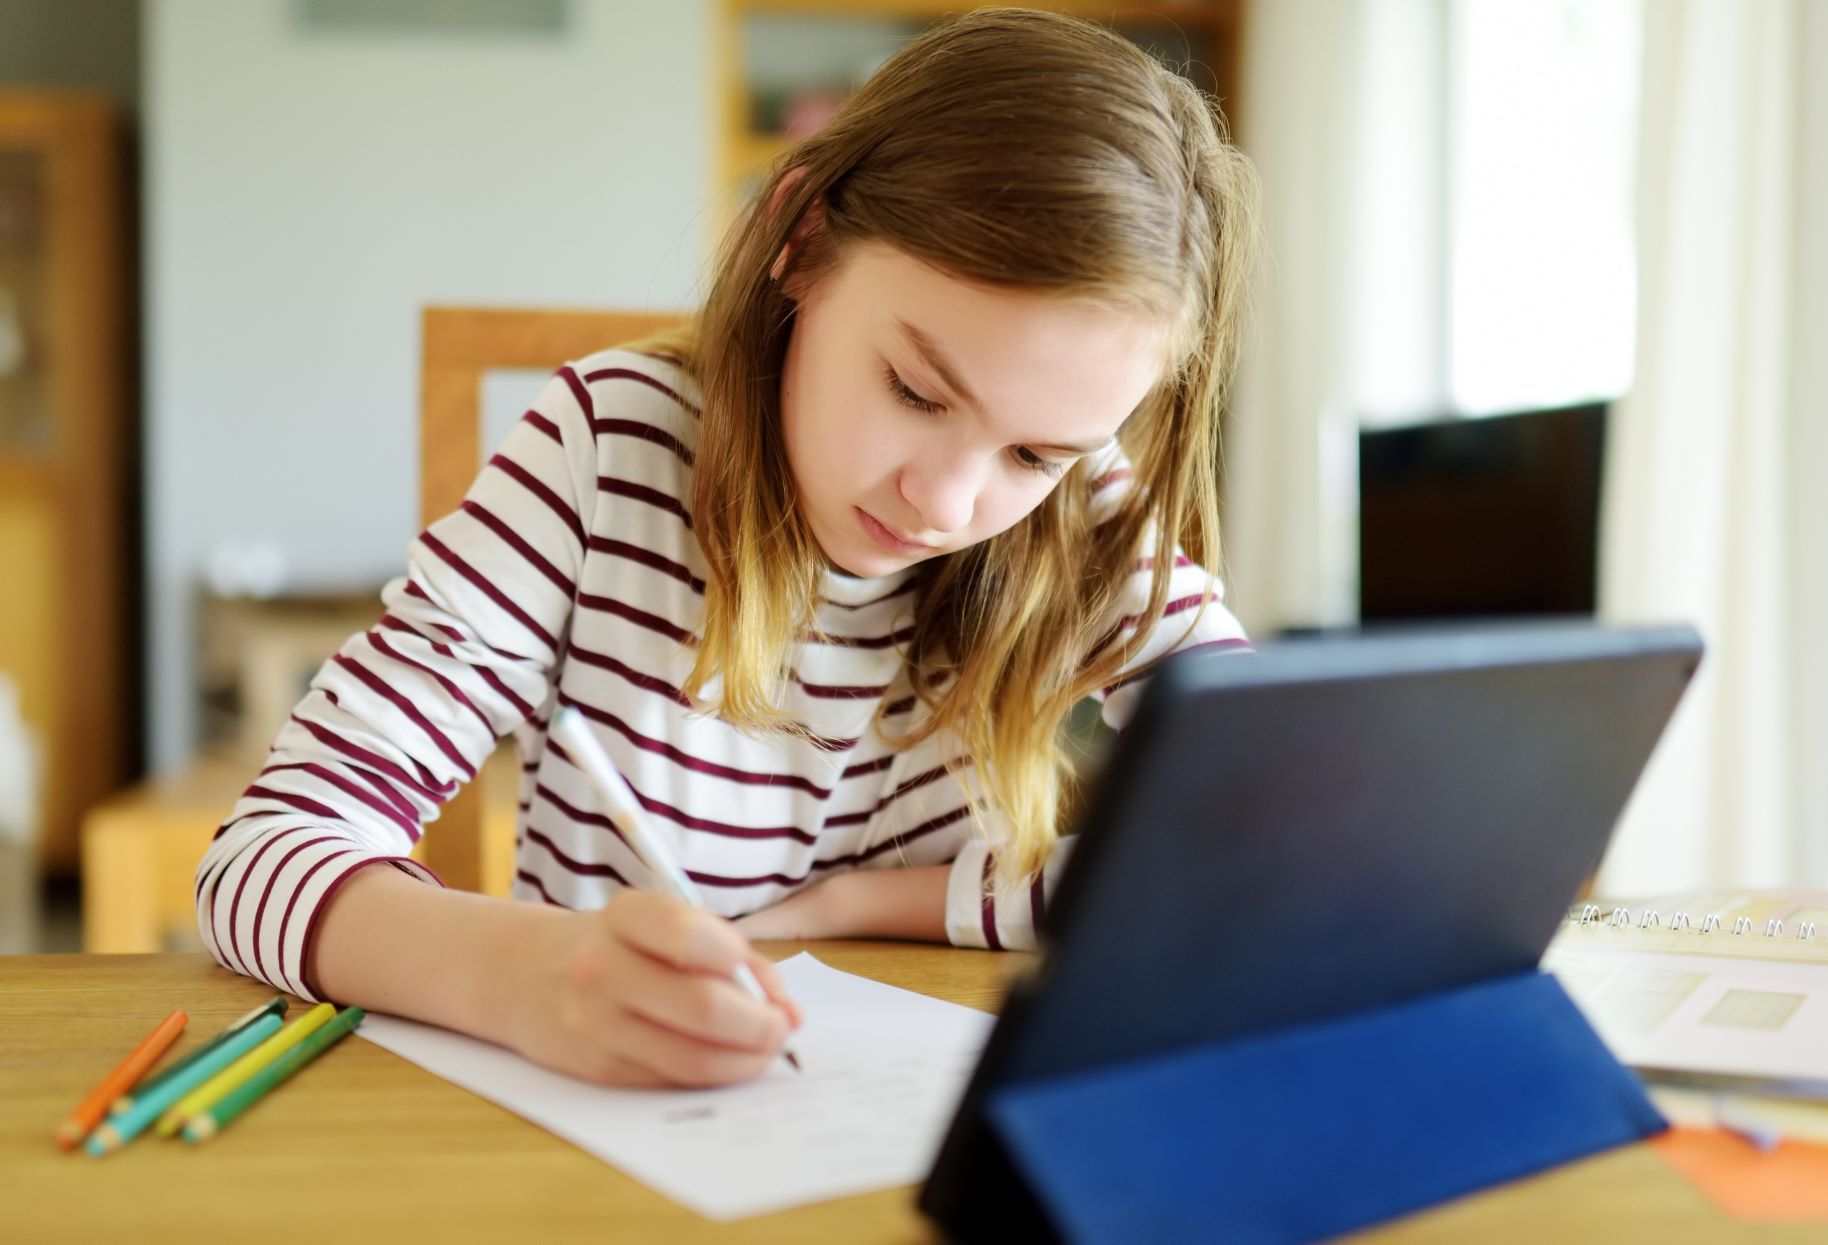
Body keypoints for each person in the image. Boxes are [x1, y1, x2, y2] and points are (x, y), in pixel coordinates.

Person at [194, 7, 1259, 1089]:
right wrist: (521, 976)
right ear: (798, 242)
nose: (944, 502)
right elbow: (263, 856)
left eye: (1033, 454)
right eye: (913, 390)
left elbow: (1272, 853)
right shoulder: (604, 456)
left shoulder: (1079, 515)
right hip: (619, 1117)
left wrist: (862, 906)